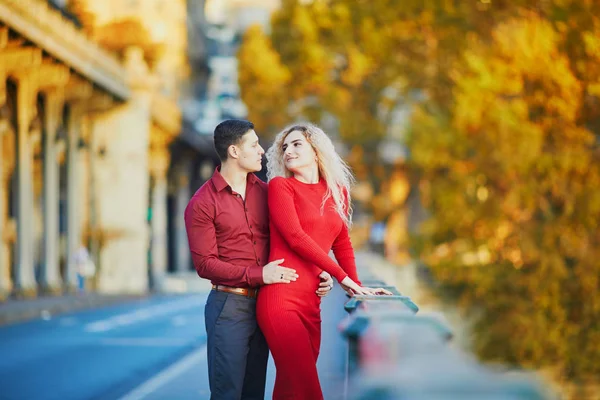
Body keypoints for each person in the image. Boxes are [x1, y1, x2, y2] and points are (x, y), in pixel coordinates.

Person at [184, 119, 334, 400]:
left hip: (268, 304)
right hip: (230, 307)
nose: (262, 150)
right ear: (234, 151)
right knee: (228, 393)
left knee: (254, 393)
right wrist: (259, 274)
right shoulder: (202, 203)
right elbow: (205, 265)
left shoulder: (269, 194)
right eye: (254, 145)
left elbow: (295, 238)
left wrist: (319, 272)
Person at [256, 123, 393, 399]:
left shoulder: (337, 192)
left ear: (316, 151)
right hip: (281, 300)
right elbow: (295, 237)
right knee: (306, 383)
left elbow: (343, 244)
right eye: (284, 147)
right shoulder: (281, 187)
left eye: (297, 144)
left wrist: (357, 288)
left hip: (312, 304)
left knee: (290, 386)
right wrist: (341, 277)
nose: (288, 151)